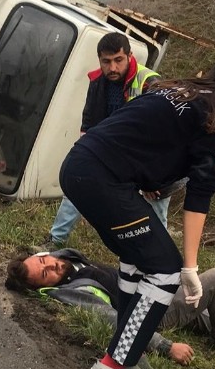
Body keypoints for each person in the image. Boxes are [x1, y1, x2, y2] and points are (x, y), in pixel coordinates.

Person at [59, 54, 215, 369]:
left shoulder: (180, 90)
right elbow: (200, 194)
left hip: (78, 166)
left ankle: (127, 350)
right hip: (103, 178)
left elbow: (142, 136)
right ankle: (116, 363)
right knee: (166, 268)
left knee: (136, 260)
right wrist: (189, 267)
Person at [6, 249, 215, 369]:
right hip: (153, 309)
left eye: (43, 260)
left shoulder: (64, 259)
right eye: (46, 274)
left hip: (153, 288)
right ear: (41, 288)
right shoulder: (73, 292)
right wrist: (166, 346)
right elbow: (113, 320)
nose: (52, 266)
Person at [45, 32, 162, 248]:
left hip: (145, 157)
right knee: (77, 181)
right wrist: (83, 156)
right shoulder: (98, 81)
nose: (113, 68)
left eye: (118, 60)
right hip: (109, 150)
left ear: (130, 55)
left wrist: (150, 176)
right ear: (99, 59)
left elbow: (160, 136)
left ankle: (161, 260)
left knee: (156, 208)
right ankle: (54, 241)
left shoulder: (150, 83)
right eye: (106, 62)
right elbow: (89, 123)